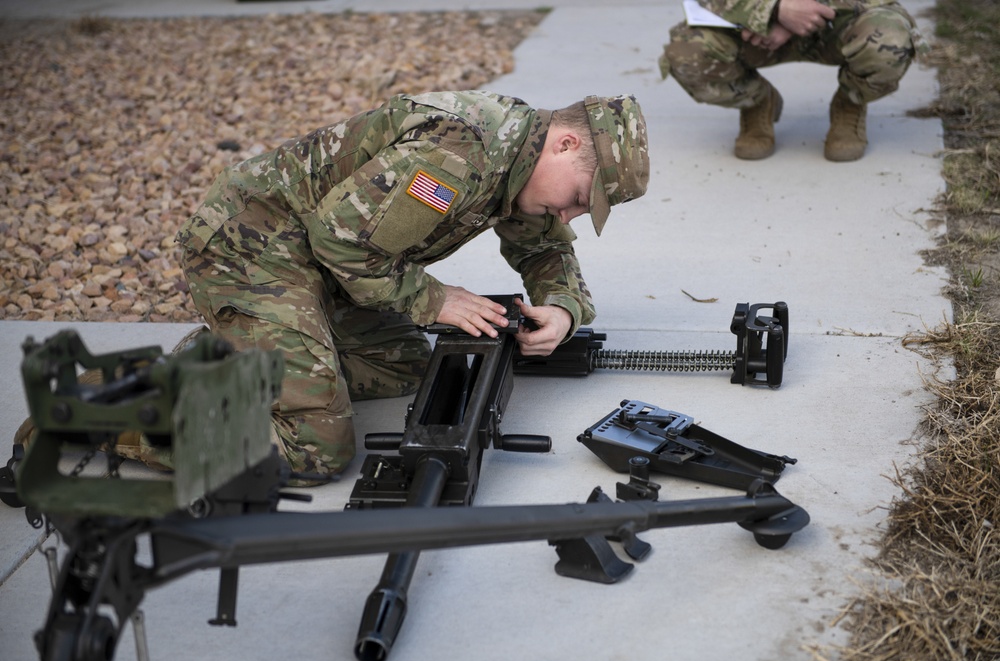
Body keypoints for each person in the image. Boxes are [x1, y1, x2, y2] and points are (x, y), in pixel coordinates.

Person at [173, 91, 649, 481]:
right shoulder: (458, 154)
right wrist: (432, 297)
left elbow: (545, 248)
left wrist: (563, 308)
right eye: (579, 199)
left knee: (404, 364)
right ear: (564, 145)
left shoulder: (519, 154)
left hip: (317, 265)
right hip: (252, 249)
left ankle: (240, 354)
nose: (569, 216)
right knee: (315, 449)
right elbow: (341, 242)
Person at [659, 0, 925, 161]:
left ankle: (850, 103)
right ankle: (758, 102)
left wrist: (798, 11)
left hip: (837, 21)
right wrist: (772, 10)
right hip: (754, 26)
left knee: (890, 40)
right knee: (687, 52)